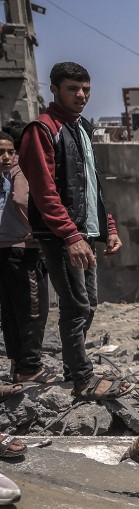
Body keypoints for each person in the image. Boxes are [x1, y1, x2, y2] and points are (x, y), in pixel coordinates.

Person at [20, 62, 128, 400]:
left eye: (85, 89)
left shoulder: (82, 128)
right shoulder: (42, 129)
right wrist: (70, 235)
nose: (81, 95)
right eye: (72, 89)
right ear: (54, 89)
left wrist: (107, 227)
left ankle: (73, 369)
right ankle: (82, 380)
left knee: (89, 303)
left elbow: (93, 186)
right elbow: (45, 190)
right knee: (76, 305)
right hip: (61, 235)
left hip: (84, 232)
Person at [0, 123, 55, 386]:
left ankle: (18, 366)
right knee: (34, 310)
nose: (7, 157)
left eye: (10, 151)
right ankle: (30, 367)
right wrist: (35, 230)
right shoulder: (20, 168)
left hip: (5, 250)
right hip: (23, 250)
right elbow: (21, 200)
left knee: (11, 311)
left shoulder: (5, 173)